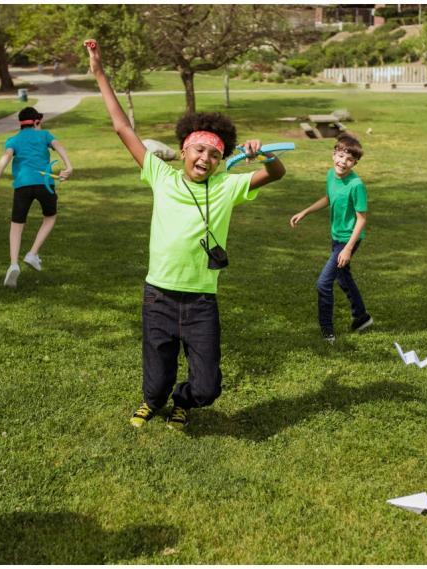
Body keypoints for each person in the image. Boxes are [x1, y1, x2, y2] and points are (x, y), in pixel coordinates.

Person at [85, 39, 287, 430]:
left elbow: (276, 175)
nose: (205, 159)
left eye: (214, 155)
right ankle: (154, 400)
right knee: (155, 375)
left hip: (200, 301)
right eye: (198, 151)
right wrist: (98, 71)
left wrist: (267, 155)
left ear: (220, 161)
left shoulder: (228, 186)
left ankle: (185, 399)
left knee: (208, 386)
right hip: (158, 294)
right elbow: (121, 126)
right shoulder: (159, 175)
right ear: (181, 151)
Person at [290, 134, 372, 343]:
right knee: (343, 277)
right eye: (340, 156)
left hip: (348, 240)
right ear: (333, 154)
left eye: (349, 160)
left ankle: (327, 330)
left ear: (355, 163)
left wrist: (347, 249)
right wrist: (305, 212)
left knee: (323, 283)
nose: (342, 162)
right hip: (336, 237)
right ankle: (361, 317)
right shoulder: (330, 175)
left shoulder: (356, 185)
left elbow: (361, 219)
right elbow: (329, 197)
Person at [0, 107, 73, 288]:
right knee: (50, 217)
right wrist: (69, 166)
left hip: (22, 186)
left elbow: (6, 157)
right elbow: (59, 146)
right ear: (36, 122)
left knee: (17, 225)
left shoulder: (14, 140)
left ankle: (14, 264)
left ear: (21, 124)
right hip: (44, 184)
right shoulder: (45, 135)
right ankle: (32, 254)